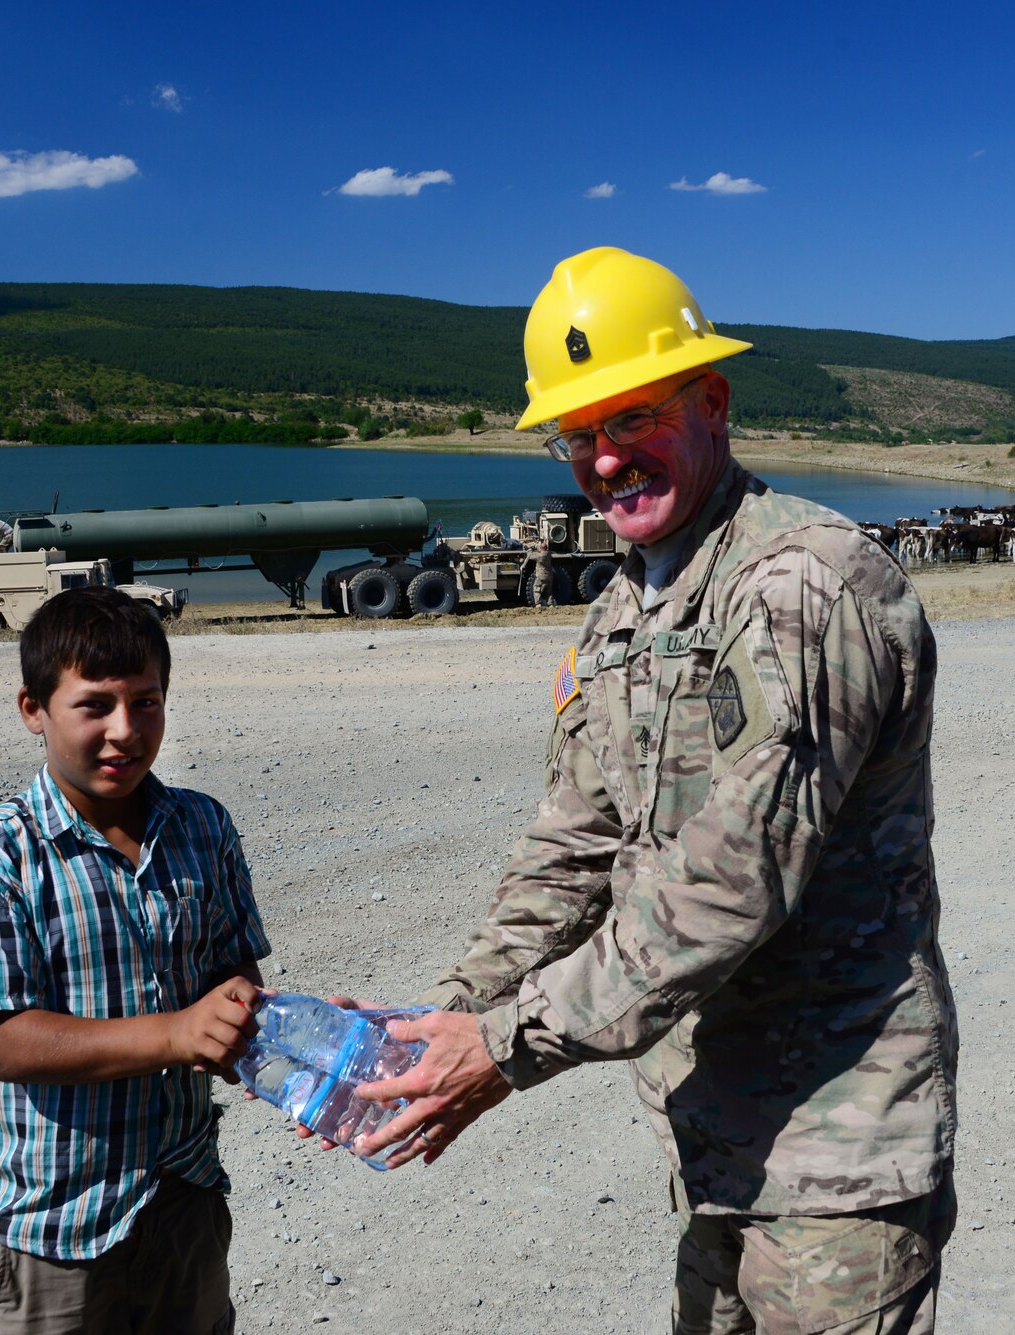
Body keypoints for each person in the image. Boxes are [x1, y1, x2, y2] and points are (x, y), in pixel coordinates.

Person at [356, 247, 959, 1333]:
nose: (604, 459)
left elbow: (732, 883)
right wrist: (445, 1017)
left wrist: (499, 1050)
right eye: (578, 435)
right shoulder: (626, 611)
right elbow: (574, 846)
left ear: (711, 401)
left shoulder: (799, 588)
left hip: (836, 1154)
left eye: (630, 419)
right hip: (715, 1133)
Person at [0, 585, 270, 1335]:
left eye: (147, 702)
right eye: (95, 705)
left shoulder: (202, 825)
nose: (126, 731)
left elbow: (232, 973)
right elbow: (8, 1040)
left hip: (184, 1197)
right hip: (59, 1228)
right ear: (34, 709)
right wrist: (178, 1034)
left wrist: (276, 1025)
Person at [528, 540, 557, 607]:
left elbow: (530, 556)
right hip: (549, 575)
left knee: (536, 588)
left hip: (541, 576)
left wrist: (531, 550)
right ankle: (551, 604)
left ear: (541, 548)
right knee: (549, 592)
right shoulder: (549, 554)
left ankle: (538, 603)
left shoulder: (539, 556)